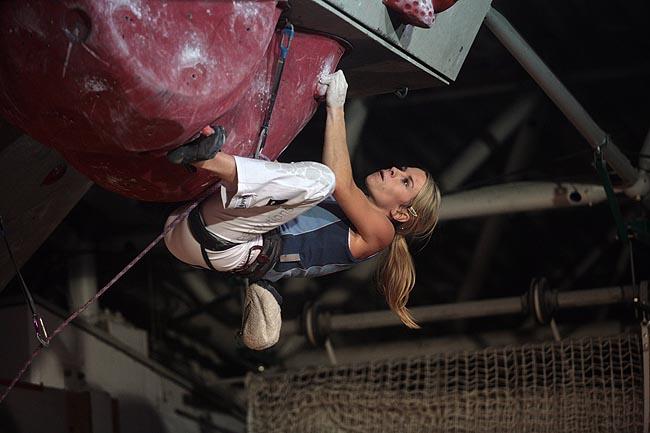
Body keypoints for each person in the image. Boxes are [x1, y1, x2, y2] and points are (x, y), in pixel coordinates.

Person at [164, 70, 441, 350]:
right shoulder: (340, 207)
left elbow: (340, 183)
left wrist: (335, 107)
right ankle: (203, 152)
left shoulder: (381, 234)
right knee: (270, 160)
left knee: (321, 179)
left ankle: (204, 157)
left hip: (224, 243)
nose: (395, 170)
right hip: (197, 225)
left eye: (405, 181)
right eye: (403, 169)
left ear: (402, 214)